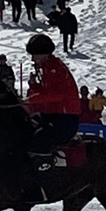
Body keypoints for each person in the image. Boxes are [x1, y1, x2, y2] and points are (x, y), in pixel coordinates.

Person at [25, 34, 80, 169]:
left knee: (39, 141)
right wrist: (34, 87)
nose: (33, 59)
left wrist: (32, 99)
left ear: (44, 54)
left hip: (65, 118)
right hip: (53, 115)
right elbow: (47, 93)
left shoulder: (55, 68)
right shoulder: (47, 68)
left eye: (35, 55)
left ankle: (46, 169)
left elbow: (56, 95)